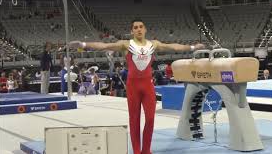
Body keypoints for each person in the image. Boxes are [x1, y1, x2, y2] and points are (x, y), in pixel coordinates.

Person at [69, 18, 205, 154]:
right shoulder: (126, 44)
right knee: (134, 120)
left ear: (145, 29)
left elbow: (174, 46)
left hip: (147, 86)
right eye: (135, 27)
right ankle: (136, 151)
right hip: (133, 86)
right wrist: (83, 44)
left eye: (141, 27)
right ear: (132, 31)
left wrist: (193, 47)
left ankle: (146, 150)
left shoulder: (154, 44)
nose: (139, 29)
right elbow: (104, 46)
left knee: (150, 119)